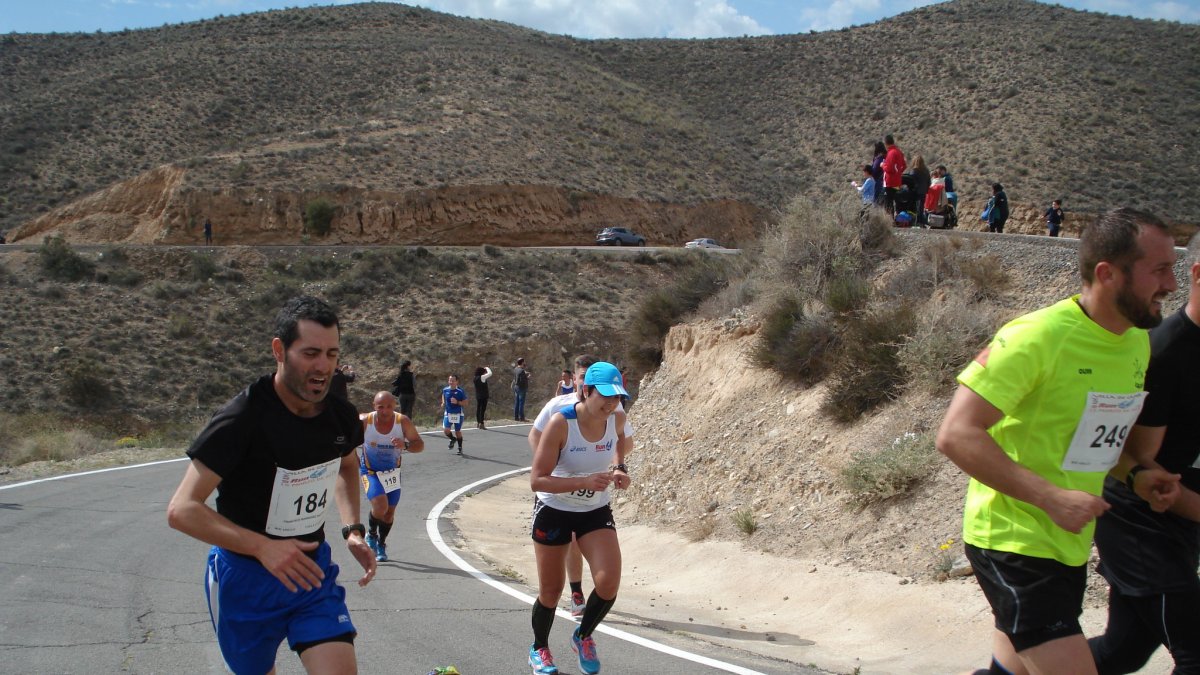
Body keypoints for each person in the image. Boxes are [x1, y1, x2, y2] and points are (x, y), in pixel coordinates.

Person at [936, 208, 1178, 675]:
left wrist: (1135, 475)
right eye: (1160, 270)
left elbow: (1088, 439)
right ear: (1108, 274)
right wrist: (1051, 498)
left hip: (1067, 544)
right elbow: (956, 434)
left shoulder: (1135, 343)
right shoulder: (1035, 337)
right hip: (1013, 540)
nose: (1170, 284)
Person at [166, 295, 376, 675]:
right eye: (311, 353)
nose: (323, 366)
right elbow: (182, 509)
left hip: (310, 572)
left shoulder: (340, 416)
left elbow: (346, 465)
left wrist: (352, 530)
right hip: (245, 579)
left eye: (331, 354)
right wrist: (263, 547)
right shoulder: (242, 417)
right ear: (279, 350)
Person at [1088, 233, 1200, 674]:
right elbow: (1135, 460)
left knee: (1123, 651)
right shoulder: (1166, 351)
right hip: (1141, 524)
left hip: (1181, 527)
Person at [527, 361, 631, 675]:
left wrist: (619, 468)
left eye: (617, 396)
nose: (611, 403)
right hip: (554, 509)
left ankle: (583, 636)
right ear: (586, 391)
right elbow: (537, 480)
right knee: (550, 590)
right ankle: (539, 649)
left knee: (608, 582)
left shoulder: (617, 417)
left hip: (594, 510)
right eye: (605, 396)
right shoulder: (561, 423)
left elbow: (619, 442)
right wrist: (583, 481)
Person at [358, 391, 424, 563]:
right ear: (374, 406)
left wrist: (405, 445)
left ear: (395, 405)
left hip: (392, 474)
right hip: (371, 472)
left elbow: (419, 445)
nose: (385, 411)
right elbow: (347, 441)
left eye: (389, 406)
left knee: (389, 514)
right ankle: (371, 534)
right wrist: (354, 460)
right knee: (380, 506)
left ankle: (381, 543)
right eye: (380, 407)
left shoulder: (402, 422)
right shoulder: (366, 421)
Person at [441, 374, 468, 455]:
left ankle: (460, 448)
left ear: (457, 382)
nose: (451, 382)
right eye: (450, 380)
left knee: (457, 432)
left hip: (458, 414)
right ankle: (453, 439)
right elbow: (443, 395)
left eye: (453, 381)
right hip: (448, 413)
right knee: (446, 430)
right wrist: (443, 402)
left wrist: (457, 402)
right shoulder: (445, 389)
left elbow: (466, 403)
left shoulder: (460, 391)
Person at [881, 134, 907, 215]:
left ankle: (890, 220)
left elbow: (889, 168)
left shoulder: (891, 153)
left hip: (889, 182)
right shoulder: (899, 152)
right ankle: (896, 218)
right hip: (897, 182)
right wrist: (898, 173)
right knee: (896, 203)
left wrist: (883, 165)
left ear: (886, 143)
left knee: (888, 204)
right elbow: (904, 165)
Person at [910, 155, 931, 226]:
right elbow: (929, 182)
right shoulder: (926, 170)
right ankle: (920, 221)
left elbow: (911, 180)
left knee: (916, 207)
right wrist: (926, 189)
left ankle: (915, 221)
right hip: (923, 191)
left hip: (916, 192)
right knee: (921, 207)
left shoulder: (914, 170)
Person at [473, 365, 492, 429]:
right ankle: (481, 423)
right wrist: (487, 368)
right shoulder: (482, 377)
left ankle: (478, 422)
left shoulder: (475, 378)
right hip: (484, 396)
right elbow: (490, 373)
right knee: (482, 410)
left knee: (478, 409)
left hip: (478, 395)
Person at [513, 357, 531, 422]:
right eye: (524, 362)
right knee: (521, 403)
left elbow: (517, 377)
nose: (525, 363)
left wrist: (524, 374)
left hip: (516, 387)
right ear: (522, 362)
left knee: (517, 402)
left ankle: (516, 417)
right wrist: (528, 377)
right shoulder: (522, 371)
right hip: (521, 388)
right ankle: (522, 418)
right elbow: (522, 380)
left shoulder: (516, 369)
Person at [870, 141, 887, 206]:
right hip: (887, 183)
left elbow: (874, 172)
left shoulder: (878, 160)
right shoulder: (887, 157)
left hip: (878, 184)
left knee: (877, 204)